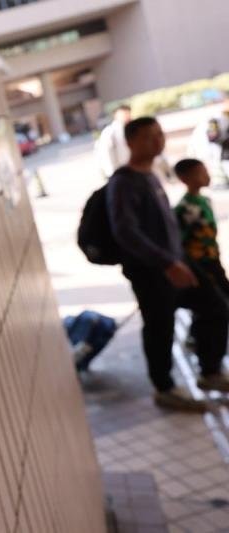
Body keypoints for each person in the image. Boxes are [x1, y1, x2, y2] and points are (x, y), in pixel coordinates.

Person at [107, 117, 229, 411]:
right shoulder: (123, 182)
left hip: (177, 263)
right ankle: (165, 389)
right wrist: (167, 263)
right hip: (152, 272)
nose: (157, 141)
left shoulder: (150, 175)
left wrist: (180, 259)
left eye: (160, 135)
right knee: (160, 328)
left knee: (215, 305)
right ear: (131, 142)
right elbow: (126, 231)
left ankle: (209, 371)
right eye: (149, 136)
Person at [173, 158, 229, 296]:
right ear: (184, 178)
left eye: (206, 172)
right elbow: (180, 240)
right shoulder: (184, 208)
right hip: (200, 262)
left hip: (212, 256)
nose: (207, 176)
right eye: (200, 173)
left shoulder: (205, 200)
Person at [96, 105, 132, 178]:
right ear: (116, 115)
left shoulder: (131, 128)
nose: (127, 116)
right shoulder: (109, 132)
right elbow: (106, 153)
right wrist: (113, 174)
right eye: (124, 114)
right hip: (119, 171)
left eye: (128, 114)